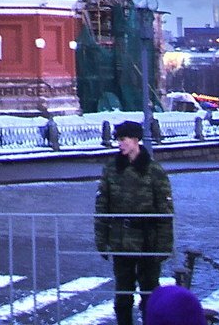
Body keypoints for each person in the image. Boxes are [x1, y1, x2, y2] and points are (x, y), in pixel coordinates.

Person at [94, 120, 174, 325]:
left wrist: (164, 246)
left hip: (148, 241)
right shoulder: (111, 169)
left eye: (123, 140)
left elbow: (165, 211)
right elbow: (102, 205)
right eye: (118, 140)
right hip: (121, 240)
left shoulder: (154, 170)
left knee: (149, 293)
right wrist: (101, 239)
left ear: (136, 140)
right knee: (123, 294)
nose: (120, 144)